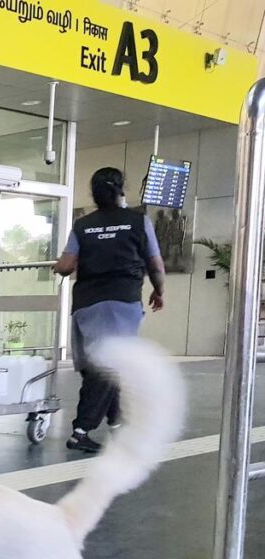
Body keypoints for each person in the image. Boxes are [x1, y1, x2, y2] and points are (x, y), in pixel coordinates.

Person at [53, 166, 166, 454]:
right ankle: (81, 430)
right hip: (122, 301)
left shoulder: (82, 225)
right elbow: (155, 264)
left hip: (86, 303)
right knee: (107, 365)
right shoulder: (138, 221)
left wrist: (59, 264)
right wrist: (159, 290)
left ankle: (116, 422)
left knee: (103, 363)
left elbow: (66, 267)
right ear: (121, 190)